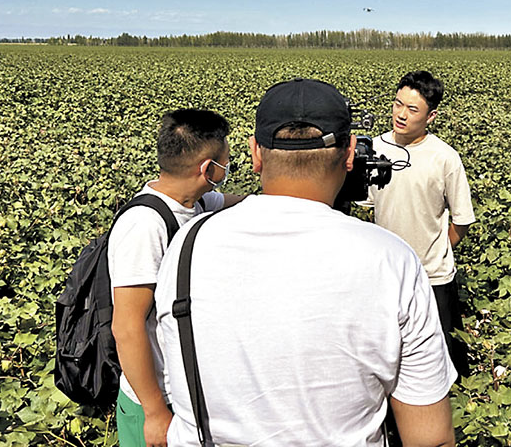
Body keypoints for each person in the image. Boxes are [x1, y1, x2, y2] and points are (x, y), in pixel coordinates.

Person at [155, 78, 456, 446]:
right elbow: (430, 438)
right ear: (349, 154)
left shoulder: (187, 243)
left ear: (255, 154)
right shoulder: (393, 261)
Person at [110, 109, 245, 447]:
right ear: (208, 170)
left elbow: (242, 203)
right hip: (155, 401)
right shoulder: (145, 225)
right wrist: (155, 413)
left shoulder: (196, 201)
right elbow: (126, 327)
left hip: (185, 394)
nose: (229, 166)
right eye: (226, 159)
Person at [369, 70, 476, 376]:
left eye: (412, 109)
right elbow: (367, 207)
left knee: (445, 358)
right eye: (397, 104)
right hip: (388, 274)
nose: (400, 115)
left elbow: (462, 220)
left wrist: (437, 249)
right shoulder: (376, 148)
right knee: (392, 355)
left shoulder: (444, 157)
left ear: (431, 117)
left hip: (432, 276)